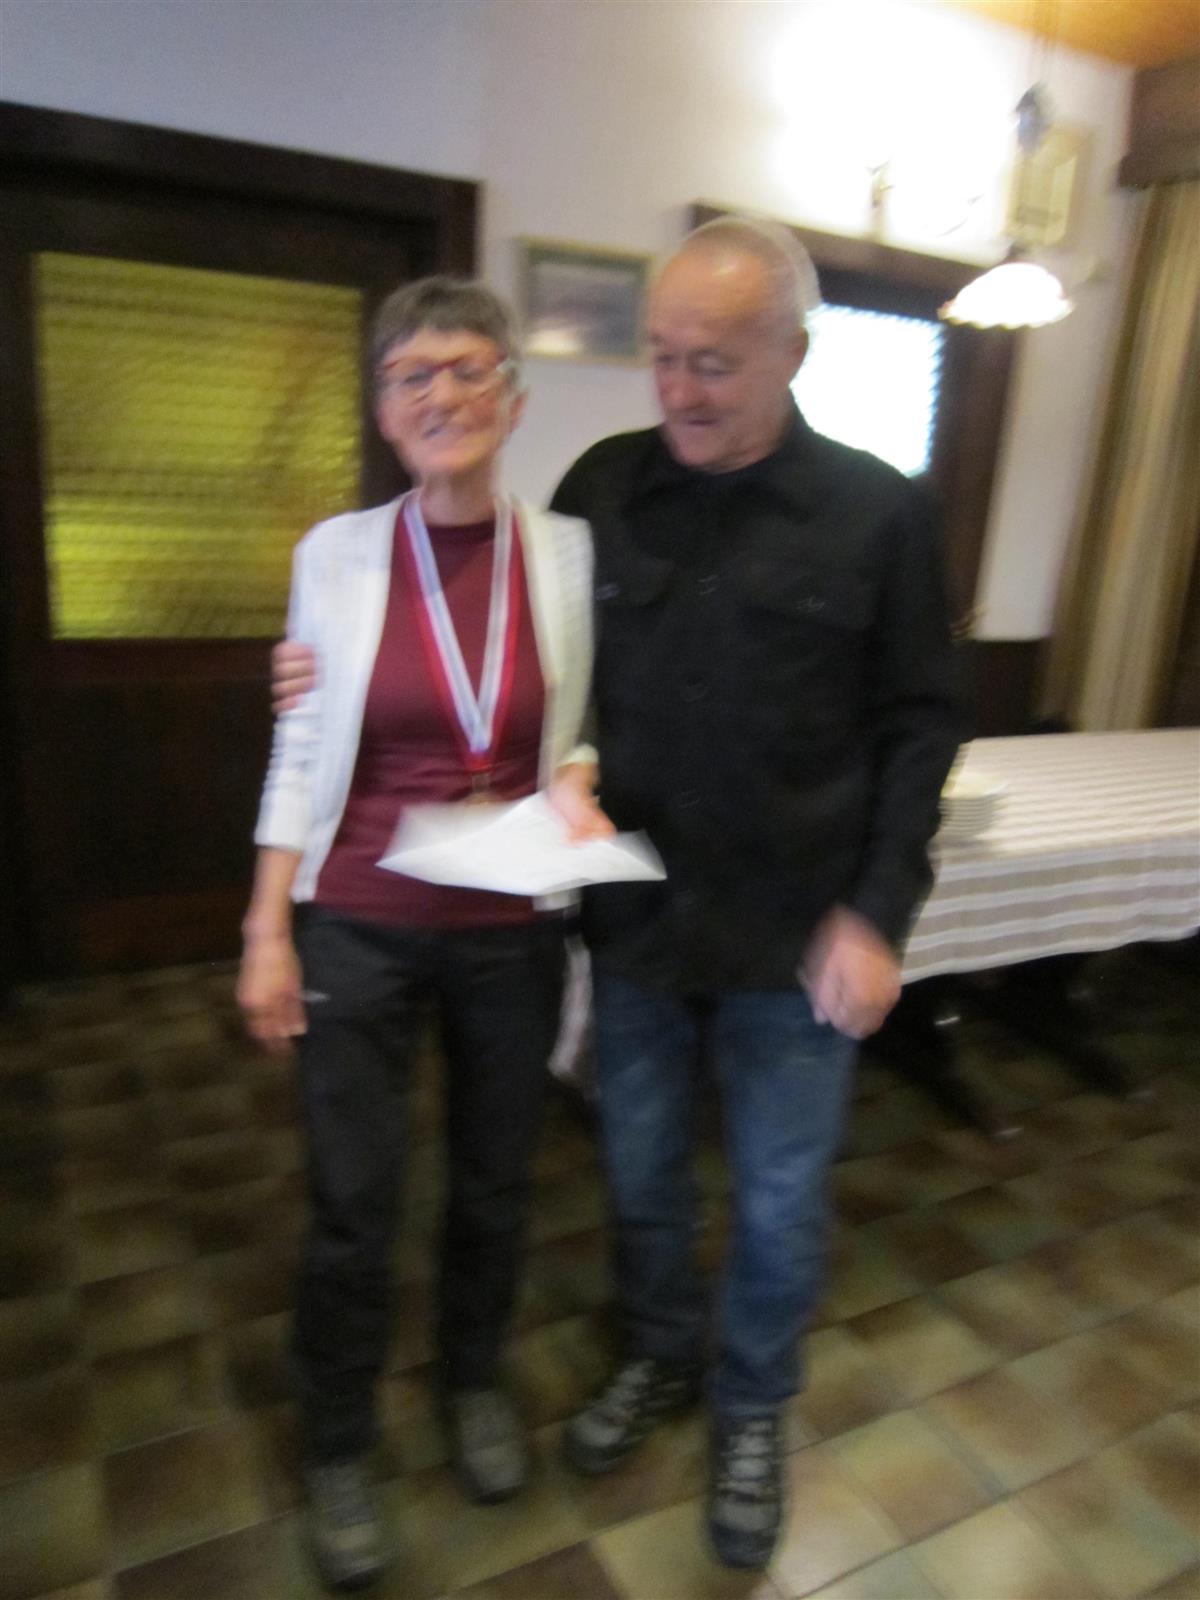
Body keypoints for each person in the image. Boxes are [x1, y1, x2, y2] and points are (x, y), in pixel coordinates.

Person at [274, 218, 965, 1571]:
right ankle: (657, 1352)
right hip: (632, 922)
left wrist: (878, 913)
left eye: (715, 362)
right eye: (662, 356)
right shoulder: (603, 489)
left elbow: (923, 725)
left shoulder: (881, 514)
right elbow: (534, 666)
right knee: (639, 1178)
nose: (680, 389)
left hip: (794, 936)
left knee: (776, 1200)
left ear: (794, 354)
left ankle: (752, 1411)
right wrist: (315, 666)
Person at [239, 277, 595, 1591]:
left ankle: (471, 1381)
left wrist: (581, 778)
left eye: (465, 368)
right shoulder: (333, 555)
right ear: (386, 411)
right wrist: (266, 926)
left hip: (511, 926)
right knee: (355, 1199)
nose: (440, 394)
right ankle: (337, 1440)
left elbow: (583, 724)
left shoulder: (568, 553)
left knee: (497, 1181)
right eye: (411, 376)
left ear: (512, 395)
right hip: (361, 922)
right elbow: (300, 748)